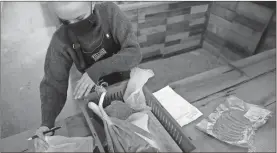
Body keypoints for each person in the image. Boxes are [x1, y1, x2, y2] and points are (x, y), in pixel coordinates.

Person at [34, 1, 142, 151]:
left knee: (136, 129)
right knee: (108, 138)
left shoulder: (110, 13)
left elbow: (134, 53)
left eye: (79, 18)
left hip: (127, 84)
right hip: (96, 92)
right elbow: (53, 84)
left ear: (92, 3)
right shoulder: (60, 39)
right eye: (65, 21)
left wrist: (96, 70)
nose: (73, 26)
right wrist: (46, 123)